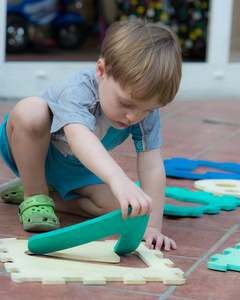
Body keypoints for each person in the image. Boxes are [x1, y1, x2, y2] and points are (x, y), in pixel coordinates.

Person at [0, 19, 182, 251]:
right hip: (33, 151)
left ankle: (41, 194)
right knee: (31, 110)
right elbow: (78, 138)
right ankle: (35, 195)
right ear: (101, 71)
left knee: (127, 210)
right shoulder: (77, 90)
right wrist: (118, 179)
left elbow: (152, 164)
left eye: (146, 109)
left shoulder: (142, 112)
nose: (133, 117)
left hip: (76, 169)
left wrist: (152, 226)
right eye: (125, 103)